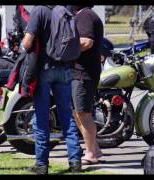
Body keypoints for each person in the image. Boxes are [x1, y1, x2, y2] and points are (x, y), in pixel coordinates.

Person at [22, 5, 82, 174]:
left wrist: (22, 48)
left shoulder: (39, 11)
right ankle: (75, 162)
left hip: (44, 70)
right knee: (67, 117)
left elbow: (27, 42)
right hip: (65, 68)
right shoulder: (65, 10)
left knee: (41, 118)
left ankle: (41, 164)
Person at [69, 5, 104, 165]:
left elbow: (86, 41)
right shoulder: (85, 14)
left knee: (83, 113)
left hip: (83, 73)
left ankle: (91, 153)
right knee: (78, 112)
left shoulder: (85, 16)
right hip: (81, 72)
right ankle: (94, 148)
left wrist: (65, 51)